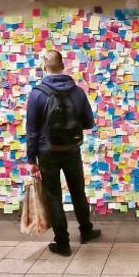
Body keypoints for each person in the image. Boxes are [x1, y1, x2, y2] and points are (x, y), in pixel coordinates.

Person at [25, 50, 101, 256]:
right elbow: (88, 123)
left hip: (46, 151)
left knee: (54, 196)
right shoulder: (77, 92)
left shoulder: (37, 94)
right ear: (62, 65)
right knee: (78, 190)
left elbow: (31, 130)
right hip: (71, 149)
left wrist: (31, 159)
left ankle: (63, 243)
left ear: (44, 66)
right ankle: (86, 230)